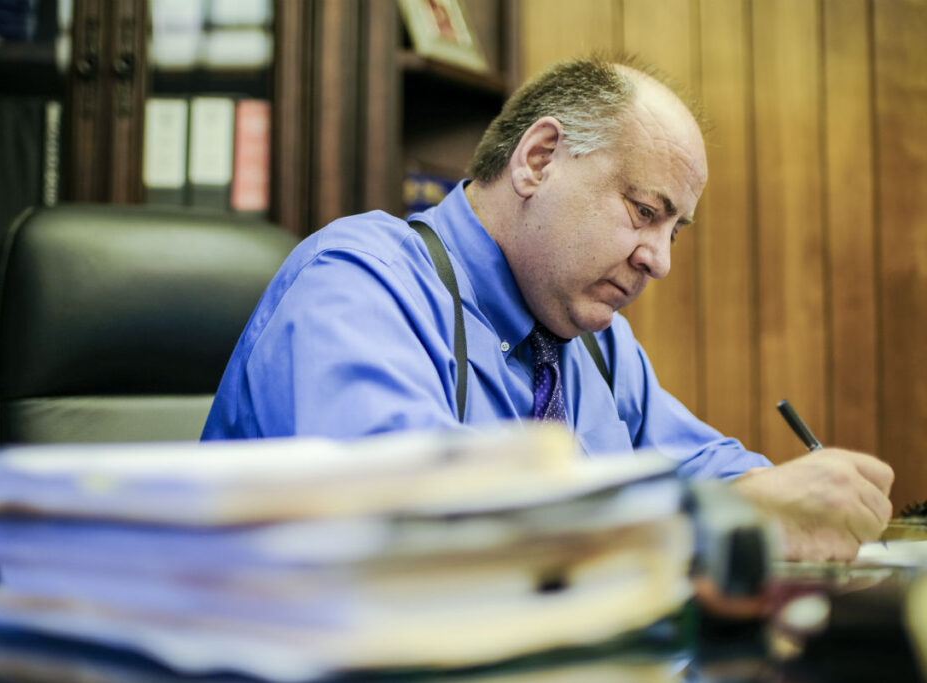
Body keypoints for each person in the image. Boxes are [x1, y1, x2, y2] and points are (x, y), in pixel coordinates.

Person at [202, 55, 893, 562]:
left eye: (673, 231)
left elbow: (699, 465)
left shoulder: (595, 340)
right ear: (537, 159)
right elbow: (406, 520)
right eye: (644, 211)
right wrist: (723, 512)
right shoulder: (361, 281)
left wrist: (797, 493)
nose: (659, 260)